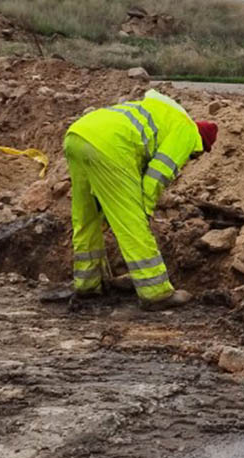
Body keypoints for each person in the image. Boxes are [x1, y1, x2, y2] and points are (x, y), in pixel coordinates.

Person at [61, 88, 217, 311]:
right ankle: (156, 293)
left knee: (87, 217)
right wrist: (145, 209)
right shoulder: (188, 132)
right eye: (196, 155)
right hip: (111, 145)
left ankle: (88, 284)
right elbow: (156, 176)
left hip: (77, 136)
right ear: (201, 143)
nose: (192, 158)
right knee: (133, 224)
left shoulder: (163, 114)